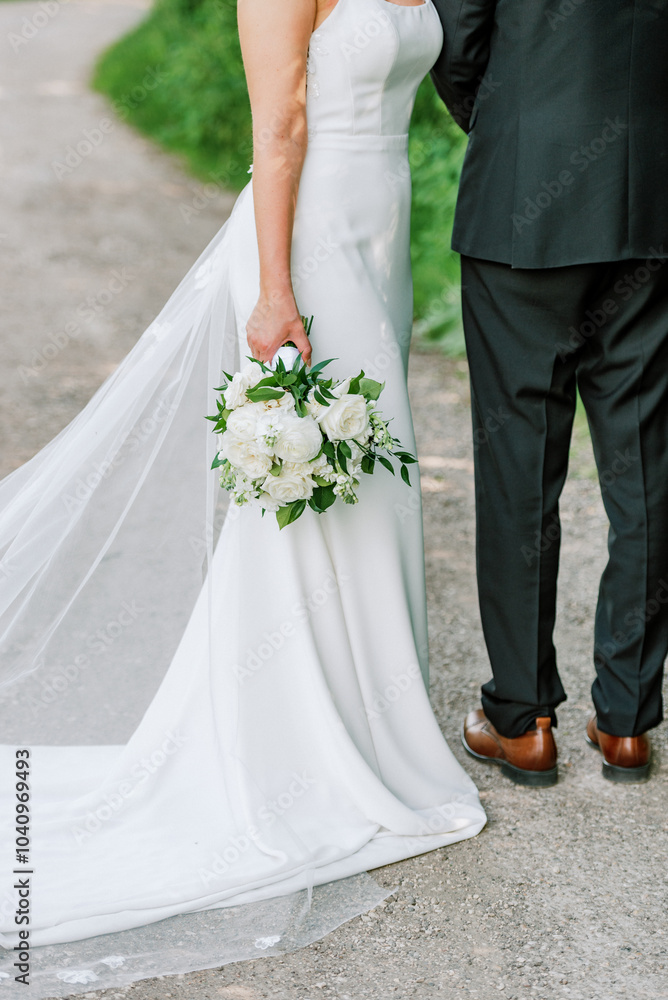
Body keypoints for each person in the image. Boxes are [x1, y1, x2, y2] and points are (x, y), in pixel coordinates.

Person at [0, 0, 485, 988]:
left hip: (378, 226)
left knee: (370, 480)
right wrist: (273, 289)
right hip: (301, 240)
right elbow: (280, 120)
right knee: (328, 481)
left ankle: (365, 718)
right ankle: (299, 740)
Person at [430, 0, 668, 786]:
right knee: (644, 464)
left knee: (519, 466)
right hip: (648, 196)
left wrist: (513, 122)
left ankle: (522, 720)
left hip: (523, 201)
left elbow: (459, 42)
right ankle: (628, 718)